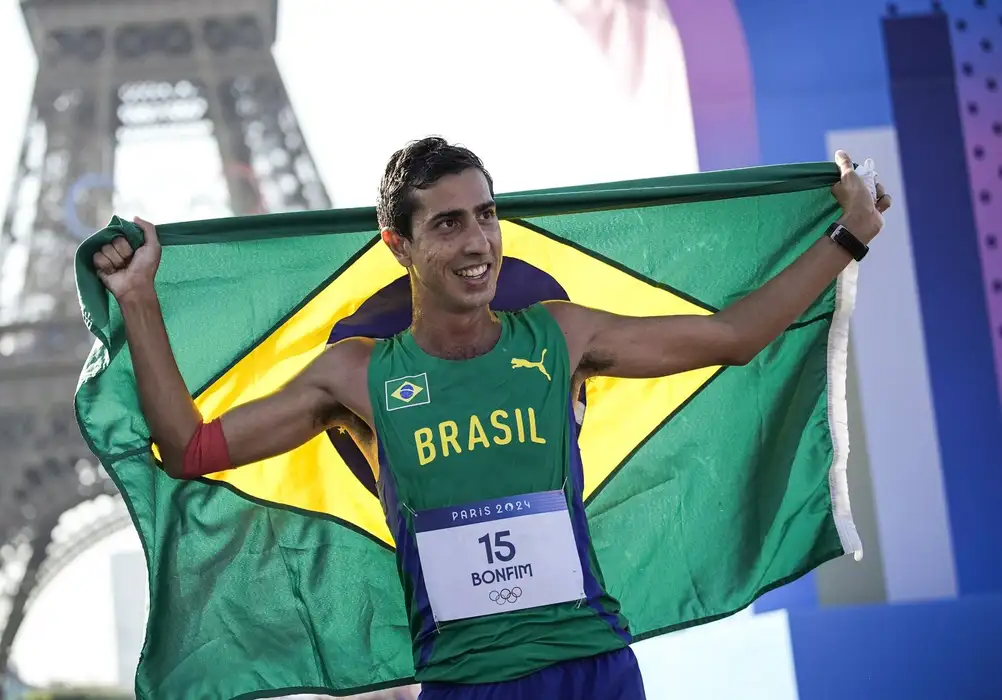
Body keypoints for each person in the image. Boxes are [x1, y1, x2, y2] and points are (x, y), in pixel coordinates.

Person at [92, 138, 891, 700]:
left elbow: (736, 337)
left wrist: (848, 236)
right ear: (397, 244)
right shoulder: (359, 377)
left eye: (486, 214)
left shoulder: (561, 335)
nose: (479, 241)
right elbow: (190, 448)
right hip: (467, 684)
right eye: (448, 223)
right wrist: (138, 301)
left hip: (593, 668)